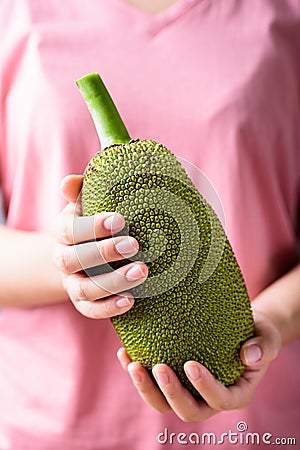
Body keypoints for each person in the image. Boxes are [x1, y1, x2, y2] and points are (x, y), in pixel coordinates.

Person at [0, 0, 299, 448]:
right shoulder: (12, 15)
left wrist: (272, 319)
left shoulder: (285, 16)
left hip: (255, 426)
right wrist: (74, 261)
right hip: (56, 426)